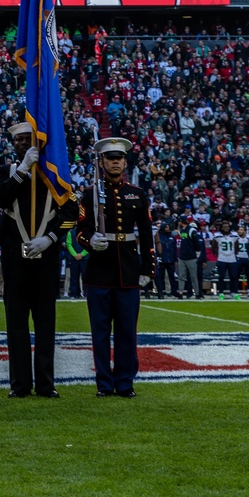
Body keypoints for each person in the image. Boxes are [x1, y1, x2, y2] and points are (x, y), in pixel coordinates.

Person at [0, 121, 67, 398]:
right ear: (13, 145)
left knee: (46, 323)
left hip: (46, 256)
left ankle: (46, 384)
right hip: (14, 258)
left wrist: (50, 238)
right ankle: (20, 384)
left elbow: (71, 213)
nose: (24, 143)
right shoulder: (5, 172)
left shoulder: (55, 176)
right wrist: (23, 170)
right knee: (16, 323)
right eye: (19, 140)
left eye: (29, 139)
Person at [76, 134, 155, 398]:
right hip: (99, 270)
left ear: (125, 162)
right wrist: (90, 241)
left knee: (126, 332)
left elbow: (146, 234)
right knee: (100, 333)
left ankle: (125, 382)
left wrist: (147, 269)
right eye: (110, 159)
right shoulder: (89, 194)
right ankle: (103, 383)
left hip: (129, 271)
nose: (115, 163)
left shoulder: (138, 194)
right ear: (101, 162)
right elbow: (80, 232)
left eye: (119, 158)